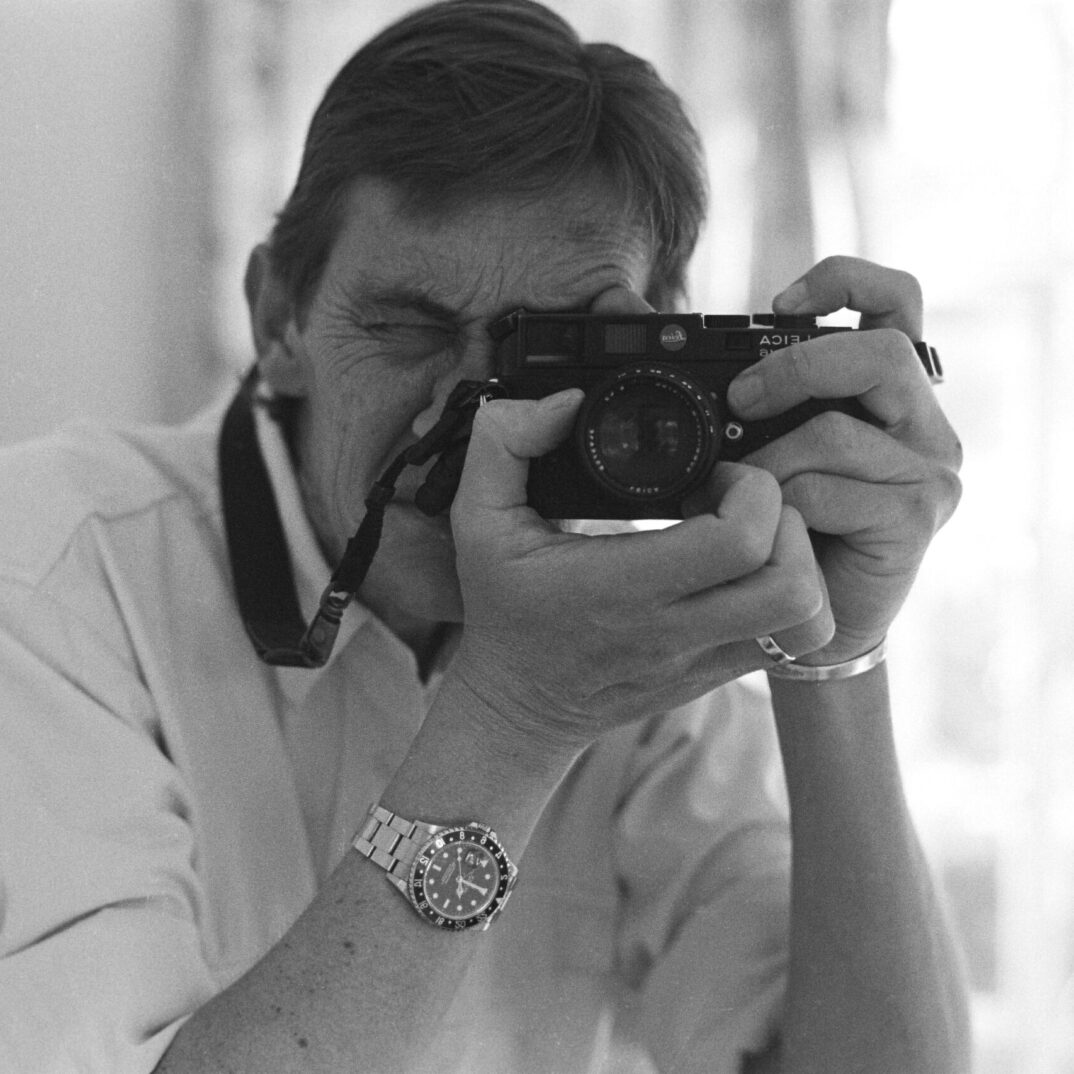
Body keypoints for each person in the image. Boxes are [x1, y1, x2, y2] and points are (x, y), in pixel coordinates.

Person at [0, 2, 970, 1072]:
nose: (471, 415)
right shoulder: (53, 576)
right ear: (278, 320)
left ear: (661, 346)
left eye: (546, 351)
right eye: (409, 327)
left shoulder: (650, 642)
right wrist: (517, 719)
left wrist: (834, 656)